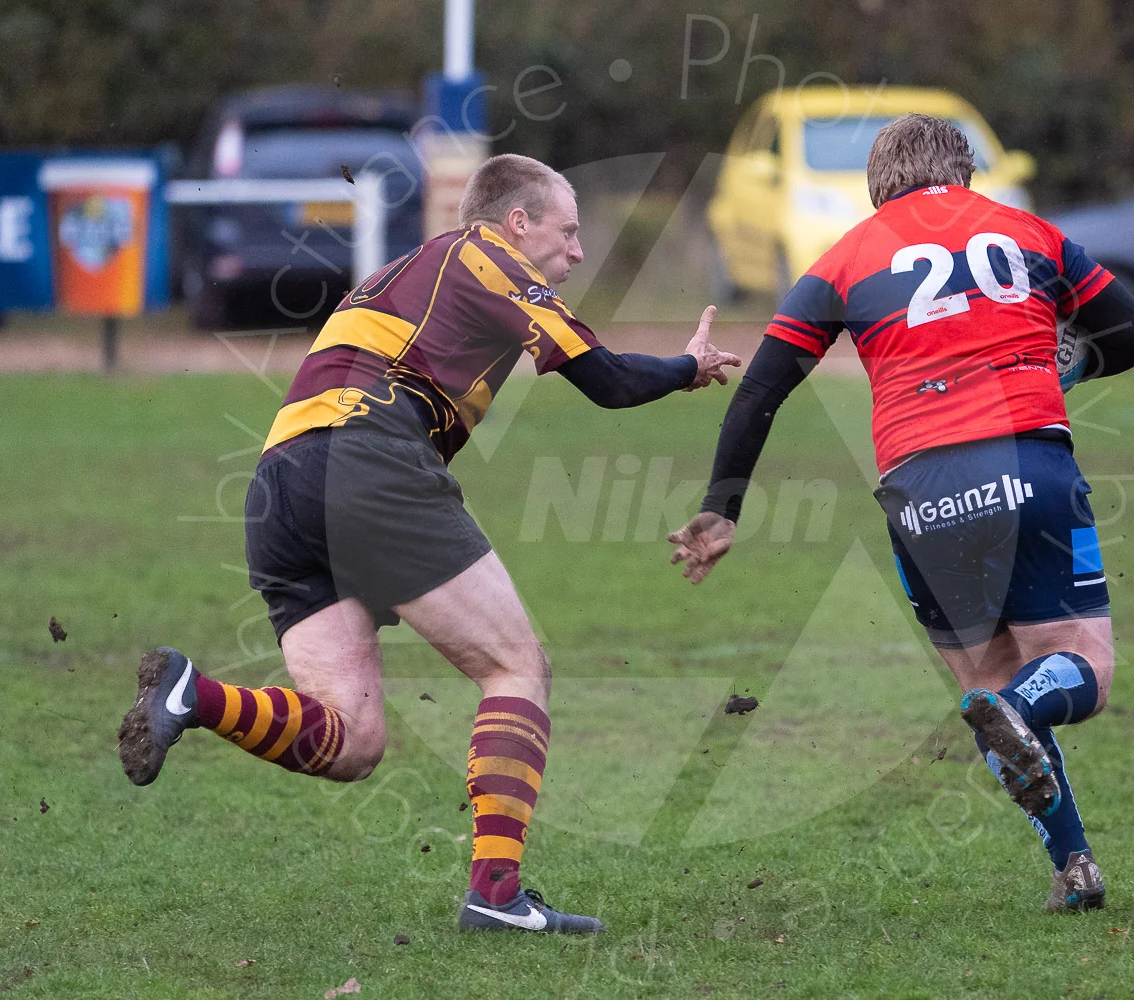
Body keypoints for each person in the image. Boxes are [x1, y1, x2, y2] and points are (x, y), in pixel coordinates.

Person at [117, 153, 741, 934]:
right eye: (569, 230)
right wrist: (687, 367)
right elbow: (602, 377)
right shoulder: (485, 254)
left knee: (352, 739)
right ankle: (497, 892)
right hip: (365, 460)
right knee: (516, 666)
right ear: (517, 223)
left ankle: (191, 695)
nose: (578, 252)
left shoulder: (409, 270)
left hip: (280, 486)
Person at [668, 115, 1134, 912]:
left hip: (918, 493)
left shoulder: (844, 260)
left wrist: (720, 510)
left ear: (876, 186)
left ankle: (1074, 866)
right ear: (964, 172)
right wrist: (1058, 366)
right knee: (1077, 672)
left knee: (988, 690)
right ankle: (1028, 721)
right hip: (1028, 465)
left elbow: (761, 389)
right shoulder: (1027, 230)